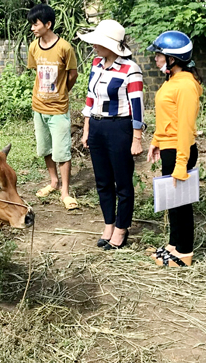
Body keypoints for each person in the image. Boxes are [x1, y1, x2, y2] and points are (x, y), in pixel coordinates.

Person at [79, 20, 145, 250]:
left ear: (112, 45)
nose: (94, 46)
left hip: (119, 128)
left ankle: (121, 228)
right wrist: (86, 129)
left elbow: (137, 105)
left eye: (99, 42)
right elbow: (90, 98)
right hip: (97, 127)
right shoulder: (96, 64)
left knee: (123, 183)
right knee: (103, 181)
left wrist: (137, 137)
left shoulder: (130, 69)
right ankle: (108, 224)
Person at [146, 31, 203, 266]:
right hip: (169, 148)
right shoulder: (172, 81)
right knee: (174, 202)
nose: (156, 59)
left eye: (159, 55)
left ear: (172, 59)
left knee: (182, 203)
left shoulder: (187, 85)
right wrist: (156, 140)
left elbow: (185, 128)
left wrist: (181, 163)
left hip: (181, 150)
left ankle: (185, 252)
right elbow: (167, 117)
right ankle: (173, 245)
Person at [27, 4, 79, 210]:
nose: (32, 28)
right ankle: (53, 182)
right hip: (38, 107)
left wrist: (62, 91)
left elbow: (73, 74)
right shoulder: (33, 47)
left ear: (48, 24)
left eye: (35, 24)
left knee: (62, 151)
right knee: (46, 148)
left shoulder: (65, 48)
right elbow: (37, 74)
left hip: (58, 109)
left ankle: (65, 192)